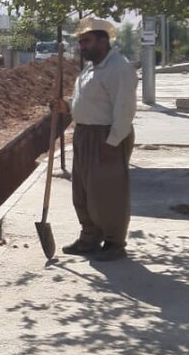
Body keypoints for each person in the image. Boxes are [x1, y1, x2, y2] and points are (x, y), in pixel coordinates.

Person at [54, 16, 139, 261]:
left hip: (106, 135)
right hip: (84, 134)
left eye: (87, 41)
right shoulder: (91, 68)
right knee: (83, 191)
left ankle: (114, 242)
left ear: (103, 41)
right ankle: (89, 236)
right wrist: (66, 107)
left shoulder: (118, 68)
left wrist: (113, 142)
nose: (83, 46)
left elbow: (124, 109)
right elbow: (90, 102)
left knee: (108, 192)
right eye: (81, 42)